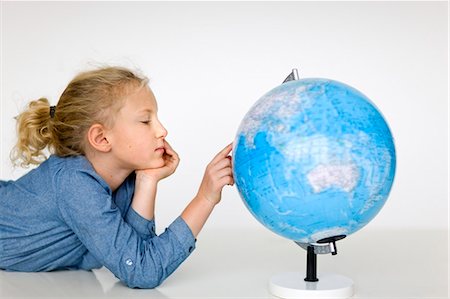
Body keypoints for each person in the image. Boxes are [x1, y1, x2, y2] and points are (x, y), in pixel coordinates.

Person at [0, 66, 234, 288]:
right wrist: (204, 198)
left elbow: (136, 251)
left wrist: (147, 181)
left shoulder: (126, 175)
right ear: (101, 138)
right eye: (145, 121)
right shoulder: (74, 184)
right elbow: (143, 271)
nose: (162, 131)